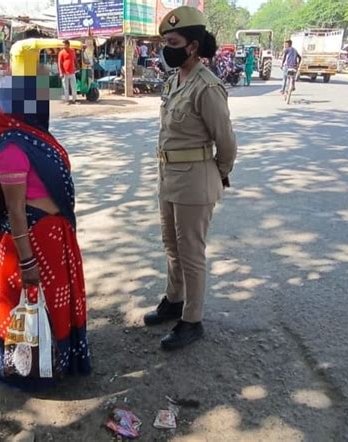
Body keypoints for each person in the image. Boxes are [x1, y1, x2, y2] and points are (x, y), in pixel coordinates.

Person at [0, 46, 91, 389]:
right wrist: (27, 261)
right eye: (34, 98)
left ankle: (60, 362)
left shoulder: (35, 138)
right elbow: (14, 210)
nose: (43, 104)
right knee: (29, 308)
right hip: (31, 242)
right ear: (15, 107)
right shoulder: (12, 147)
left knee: (55, 302)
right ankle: (29, 374)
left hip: (54, 238)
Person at [144, 6, 237, 350]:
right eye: (164, 42)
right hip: (169, 177)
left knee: (191, 252)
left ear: (193, 46)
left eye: (172, 42)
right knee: (171, 246)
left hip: (196, 180)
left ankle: (192, 320)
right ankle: (174, 300)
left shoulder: (207, 87)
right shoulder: (174, 81)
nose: (165, 48)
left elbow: (226, 142)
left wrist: (218, 173)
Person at [58, 40, 78, 104]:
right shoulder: (61, 53)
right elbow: (59, 63)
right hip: (65, 73)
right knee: (65, 87)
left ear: (68, 45)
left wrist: (77, 66)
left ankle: (74, 100)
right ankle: (67, 100)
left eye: (64, 45)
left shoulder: (72, 51)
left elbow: (75, 59)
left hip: (72, 72)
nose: (63, 46)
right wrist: (61, 72)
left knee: (74, 86)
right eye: (63, 45)